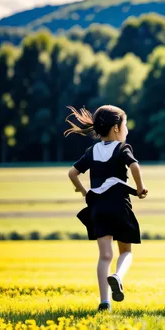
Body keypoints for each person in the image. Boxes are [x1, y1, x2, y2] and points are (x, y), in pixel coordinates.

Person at [65, 105, 148, 312]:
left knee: (104, 256)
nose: (127, 130)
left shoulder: (92, 151)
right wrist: (140, 188)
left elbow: (72, 173)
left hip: (98, 209)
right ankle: (118, 276)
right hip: (119, 204)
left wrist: (84, 192)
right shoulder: (122, 148)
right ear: (116, 128)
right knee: (126, 251)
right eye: (125, 125)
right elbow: (135, 166)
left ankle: (105, 302)